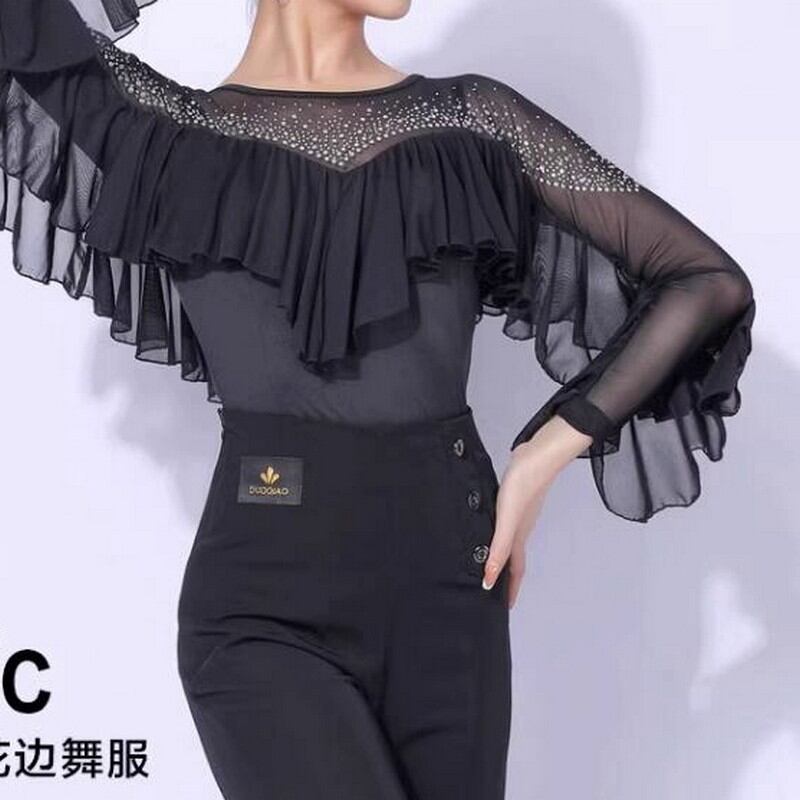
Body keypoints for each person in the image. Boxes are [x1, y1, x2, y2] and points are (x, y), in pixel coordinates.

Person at [0, 0, 756, 798]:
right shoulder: (164, 135)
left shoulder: (473, 123)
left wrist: (544, 455)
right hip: (262, 615)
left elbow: (706, 283)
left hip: (454, 600)